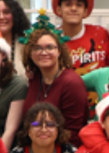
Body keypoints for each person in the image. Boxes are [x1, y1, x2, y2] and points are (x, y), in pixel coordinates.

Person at [22, 15, 89, 143]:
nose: (43, 52)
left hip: (63, 152)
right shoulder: (35, 78)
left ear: (59, 51)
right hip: (35, 148)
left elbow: (73, 132)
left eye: (50, 47)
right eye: (37, 48)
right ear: (30, 53)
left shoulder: (71, 83)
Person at [53, 0, 109, 75]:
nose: (73, 8)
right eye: (68, 4)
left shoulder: (100, 34)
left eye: (79, 5)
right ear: (59, 10)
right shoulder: (51, 38)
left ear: (85, 11)